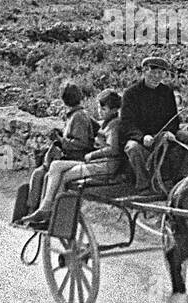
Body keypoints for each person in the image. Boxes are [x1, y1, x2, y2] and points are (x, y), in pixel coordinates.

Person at [18, 90, 124, 229]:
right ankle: (46, 209)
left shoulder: (114, 125)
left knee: (64, 176)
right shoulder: (105, 122)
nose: (100, 111)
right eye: (99, 108)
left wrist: (92, 155)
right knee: (56, 167)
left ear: (114, 110)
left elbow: (113, 149)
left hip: (104, 166)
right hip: (96, 164)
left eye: (103, 109)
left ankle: (54, 216)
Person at [118, 56, 188, 192]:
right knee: (132, 148)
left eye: (160, 73)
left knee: (185, 137)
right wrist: (142, 137)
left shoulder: (166, 92)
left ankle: (182, 181)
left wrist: (169, 132)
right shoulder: (131, 94)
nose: (156, 77)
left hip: (162, 136)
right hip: (143, 139)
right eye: (153, 72)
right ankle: (144, 186)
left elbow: (173, 119)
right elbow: (127, 123)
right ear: (144, 71)